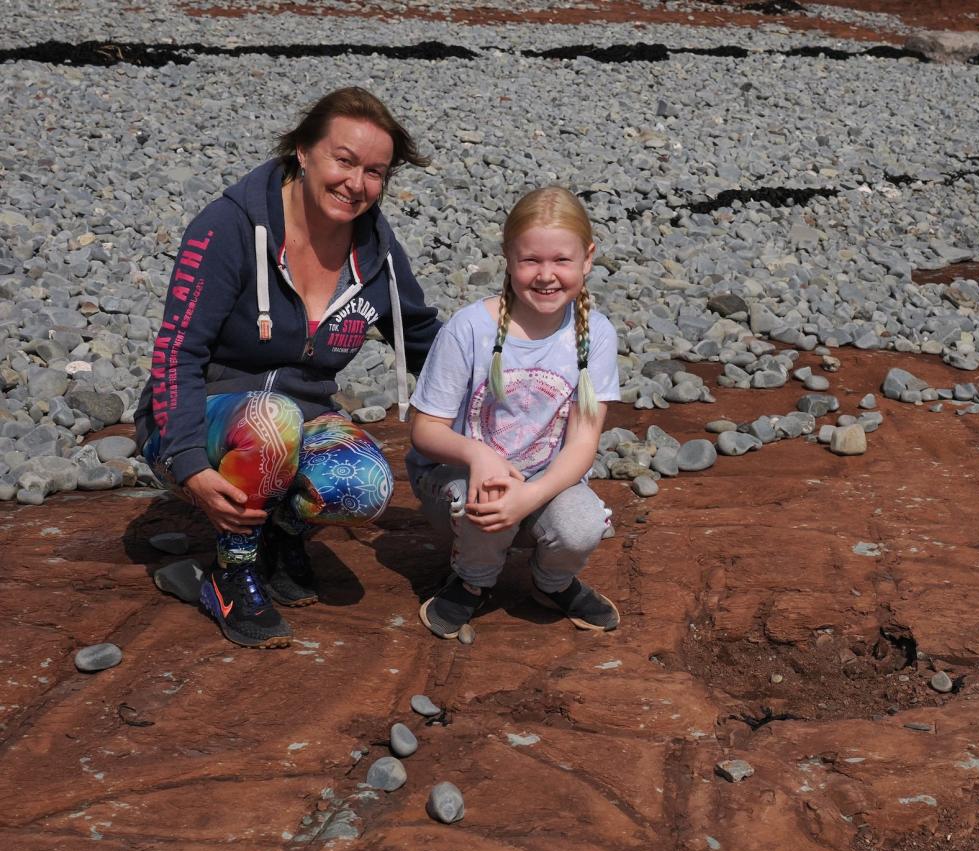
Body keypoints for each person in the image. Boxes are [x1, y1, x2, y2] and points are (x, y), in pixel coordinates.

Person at [133, 87, 441, 649]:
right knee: (271, 419)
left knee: (364, 484)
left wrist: (504, 385)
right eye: (343, 160)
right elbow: (178, 351)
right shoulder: (226, 227)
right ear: (303, 151)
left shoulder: (376, 253)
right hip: (195, 423)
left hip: (296, 420)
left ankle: (282, 531)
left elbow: (422, 338)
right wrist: (186, 461)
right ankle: (233, 574)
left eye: (375, 172)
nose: (357, 184)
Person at [407, 186, 620, 639]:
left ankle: (553, 582)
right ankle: (472, 579)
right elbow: (424, 429)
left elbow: (583, 444)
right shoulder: (470, 328)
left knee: (584, 524)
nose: (546, 275)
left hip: (545, 478)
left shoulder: (595, 335)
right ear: (508, 257)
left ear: (587, 258)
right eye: (531, 261)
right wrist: (479, 456)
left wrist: (532, 495)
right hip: (461, 477)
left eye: (562, 260)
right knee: (485, 496)